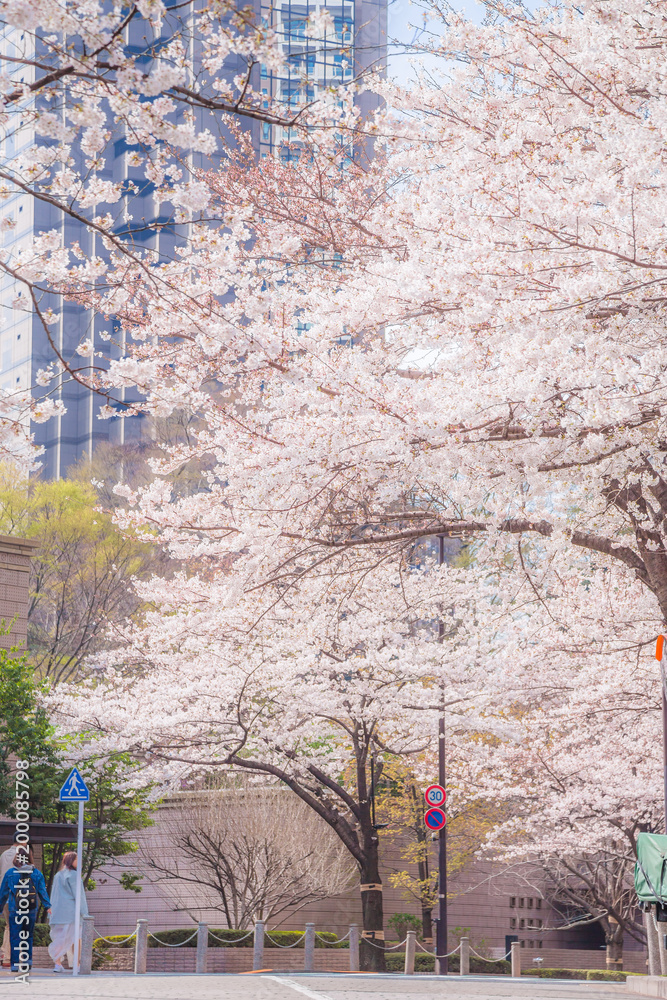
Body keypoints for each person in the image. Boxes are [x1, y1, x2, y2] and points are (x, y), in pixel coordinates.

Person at [0, 848, 51, 973]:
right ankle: (27, 962)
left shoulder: (10, 873)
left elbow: (3, 893)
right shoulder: (37, 873)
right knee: (28, 936)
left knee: (15, 936)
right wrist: (47, 906)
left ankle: (15, 964)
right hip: (31, 909)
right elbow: (42, 891)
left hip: (14, 908)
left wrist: (0, 908)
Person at [48, 852, 88, 973]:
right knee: (76, 938)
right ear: (72, 861)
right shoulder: (74, 876)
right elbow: (79, 896)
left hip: (58, 912)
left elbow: (54, 895)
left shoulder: (58, 875)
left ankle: (58, 963)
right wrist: (85, 914)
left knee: (59, 938)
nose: (79, 862)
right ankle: (76, 964)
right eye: (77, 860)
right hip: (71, 913)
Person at [0, 837, 30, 968]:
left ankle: (6, 957)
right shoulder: (22, 855)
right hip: (18, 896)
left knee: (9, 926)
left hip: (4, 895)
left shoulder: (4, 854)